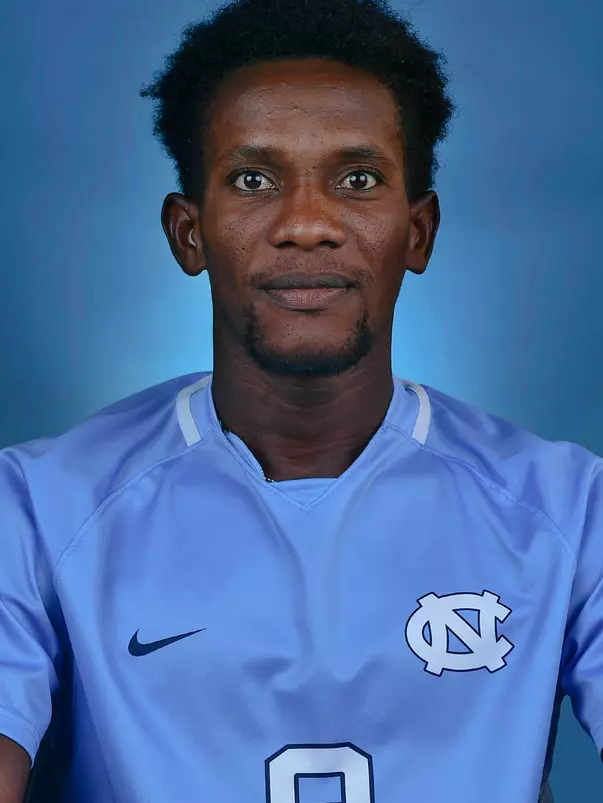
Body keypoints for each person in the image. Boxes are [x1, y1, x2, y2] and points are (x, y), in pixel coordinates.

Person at [0, 0, 601, 800]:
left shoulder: (569, 510)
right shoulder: (36, 509)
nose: (307, 224)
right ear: (189, 233)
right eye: (254, 179)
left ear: (417, 232)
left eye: (357, 179)